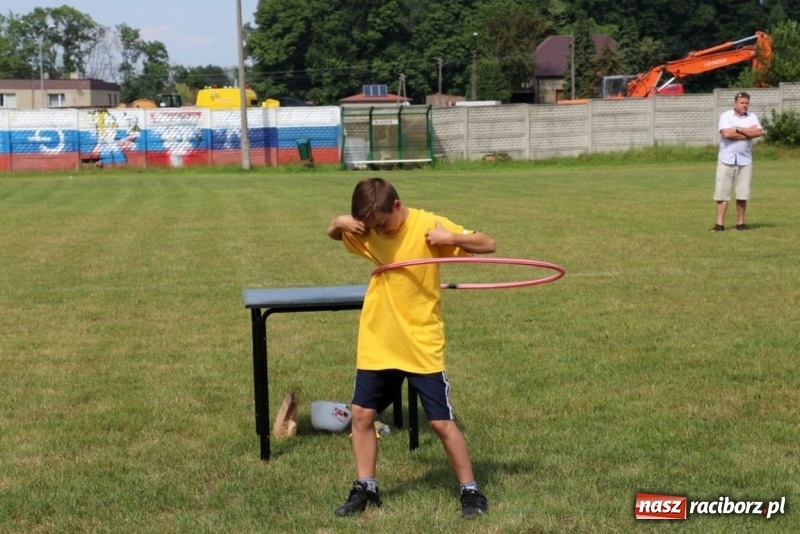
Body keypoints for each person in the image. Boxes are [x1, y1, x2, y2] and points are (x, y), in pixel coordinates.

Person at [326, 177, 496, 519]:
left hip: (420, 340)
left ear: (398, 205)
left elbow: (487, 243)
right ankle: (366, 487)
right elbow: (334, 232)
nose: (380, 232)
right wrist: (338, 222)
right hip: (379, 336)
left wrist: (452, 238)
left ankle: (471, 492)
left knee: (440, 423)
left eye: (384, 224)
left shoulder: (426, 225)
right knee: (361, 415)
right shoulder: (368, 230)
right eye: (372, 226)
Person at [711, 91, 763, 232]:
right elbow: (726, 134)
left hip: (745, 161)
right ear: (735, 103)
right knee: (722, 193)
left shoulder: (752, 117)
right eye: (742, 103)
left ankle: (741, 223)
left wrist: (738, 129)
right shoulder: (725, 116)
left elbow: (758, 132)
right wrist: (747, 134)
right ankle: (719, 224)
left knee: (742, 193)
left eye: (747, 103)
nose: (744, 105)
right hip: (726, 159)